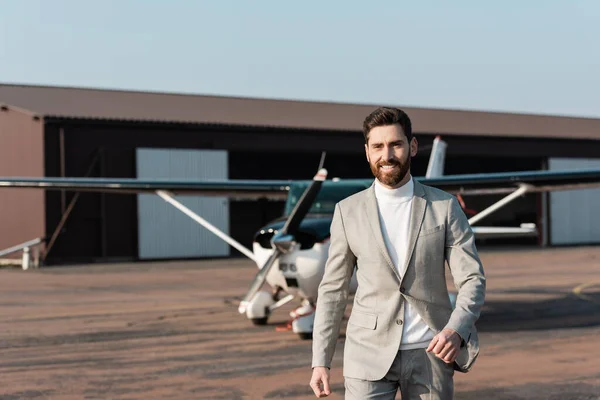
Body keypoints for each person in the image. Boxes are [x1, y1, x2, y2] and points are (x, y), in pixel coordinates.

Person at [309, 107, 486, 399]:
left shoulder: (444, 207)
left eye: (396, 144)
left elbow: (472, 279)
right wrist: (320, 361)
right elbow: (332, 290)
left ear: (412, 147)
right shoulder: (347, 212)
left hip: (431, 353)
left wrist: (456, 329)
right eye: (378, 146)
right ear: (367, 152)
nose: (387, 155)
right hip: (367, 354)